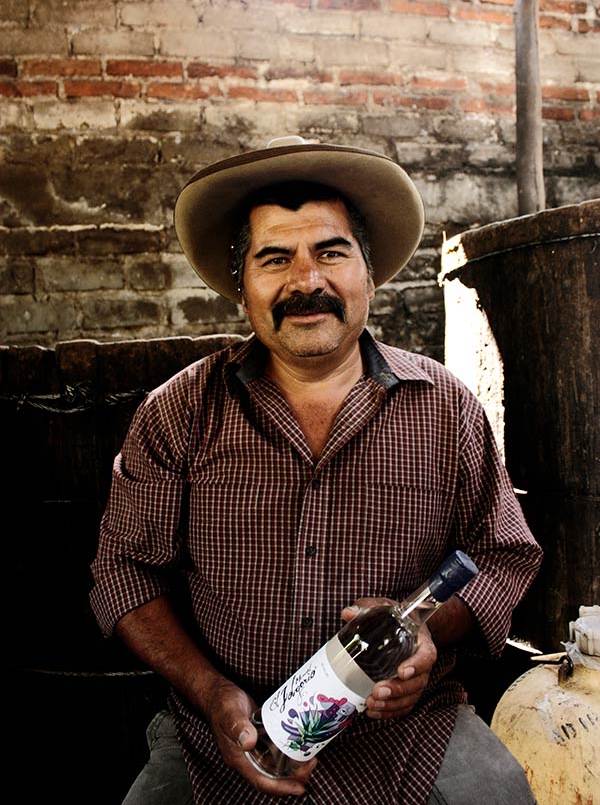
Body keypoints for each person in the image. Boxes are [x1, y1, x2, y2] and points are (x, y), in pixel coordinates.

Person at [90, 136, 543, 805]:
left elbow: (502, 555)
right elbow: (122, 572)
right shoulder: (179, 411)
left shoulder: (445, 408)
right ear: (241, 288)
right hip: (222, 736)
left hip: (408, 737)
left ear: (368, 272)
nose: (307, 281)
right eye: (275, 259)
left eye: (330, 252)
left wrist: (426, 633)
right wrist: (213, 694)